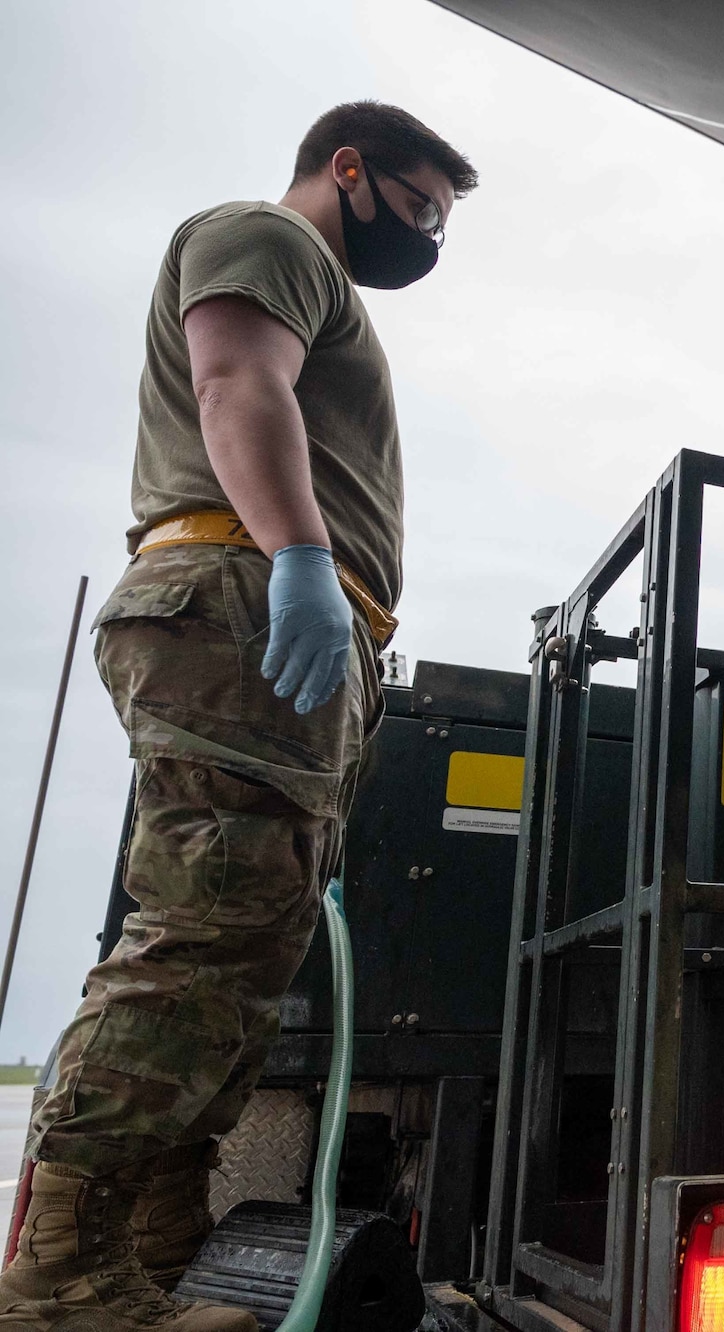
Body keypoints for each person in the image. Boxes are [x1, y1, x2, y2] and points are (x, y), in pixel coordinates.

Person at [0, 103, 476, 1332]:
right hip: (248, 593)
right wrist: (303, 558)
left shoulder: (319, 276)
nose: (426, 236)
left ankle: (147, 1246)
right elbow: (235, 380)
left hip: (275, 616)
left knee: (247, 946)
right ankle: (59, 1282)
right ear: (348, 169)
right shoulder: (272, 236)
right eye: (418, 205)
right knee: (209, 933)